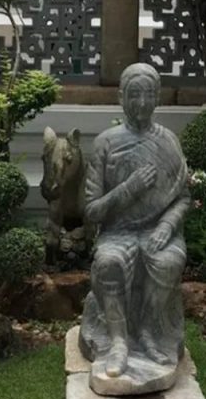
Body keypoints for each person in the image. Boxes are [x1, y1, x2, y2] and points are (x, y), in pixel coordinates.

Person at [78, 63, 189, 381]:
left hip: (159, 229)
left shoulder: (169, 141)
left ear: (158, 98)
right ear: (121, 97)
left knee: (168, 262)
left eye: (149, 94)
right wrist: (129, 188)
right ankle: (118, 341)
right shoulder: (106, 143)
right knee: (109, 262)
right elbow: (92, 210)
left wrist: (166, 226)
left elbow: (182, 197)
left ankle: (149, 331)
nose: (142, 103)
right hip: (118, 231)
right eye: (134, 94)